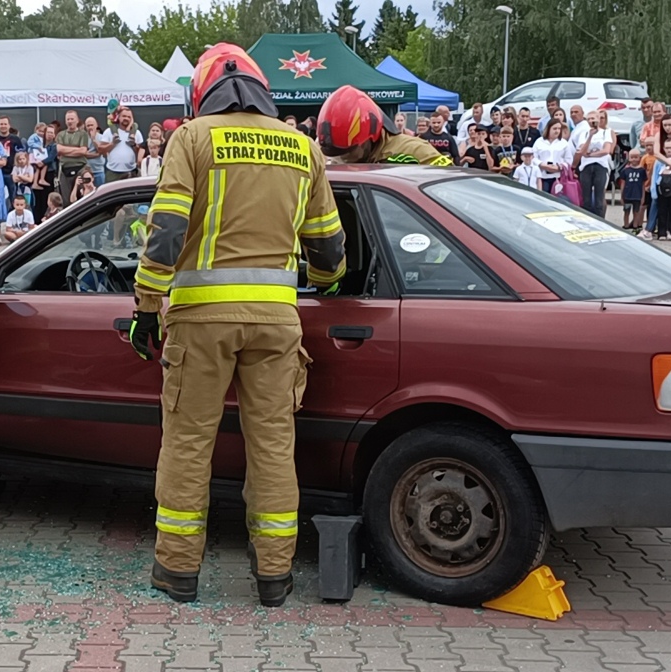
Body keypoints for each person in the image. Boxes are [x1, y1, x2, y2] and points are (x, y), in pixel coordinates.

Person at [131, 43, 342, 609]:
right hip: (277, 322)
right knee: (273, 443)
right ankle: (274, 575)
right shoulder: (303, 148)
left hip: (201, 321)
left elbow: (168, 230)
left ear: (202, 94)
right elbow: (328, 248)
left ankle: (178, 570)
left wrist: (147, 305)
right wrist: (329, 280)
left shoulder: (193, 138)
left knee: (188, 441)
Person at [317, 86, 453, 166]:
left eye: (349, 152)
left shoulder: (413, 151)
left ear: (371, 136)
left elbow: (451, 182)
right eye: (337, 155)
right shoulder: (337, 162)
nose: (343, 159)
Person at [576, 111, 614, 217]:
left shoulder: (605, 132)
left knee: (599, 197)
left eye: (593, 118)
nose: (592, 121)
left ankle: (600, 220)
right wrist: (590, 137)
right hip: (586, 167)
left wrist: (591, 154)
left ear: (598, 119)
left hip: (601, 165)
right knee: (586, 198)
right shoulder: (583, 134)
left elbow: (606, 150)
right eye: (589, 119)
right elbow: (582, 151)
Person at [101, 107, 144, 183]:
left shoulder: (137, 133)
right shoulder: (109, 131)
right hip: (112, 172)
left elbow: (140, 153)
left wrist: (134, 145)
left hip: (131, 172)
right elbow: (101, 150)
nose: (126, 118)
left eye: (129, 117)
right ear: (119, 117)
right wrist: (112, 143)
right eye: (124, 116)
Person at [55, 111, 90, 206]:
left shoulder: (83, 134)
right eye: (68, 119)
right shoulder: (61, 134)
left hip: (80, 168)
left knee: (83, 197)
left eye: (72, 119)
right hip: (65, 169)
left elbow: (83, 151)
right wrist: (76, 150)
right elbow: (59, 149)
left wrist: (66, 150)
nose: (70, 121)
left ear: (77, 120)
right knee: (67, 201)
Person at [533, 120, 570, 194]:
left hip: (558, 177)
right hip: (542, 176)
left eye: (559, 129)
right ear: (548, 129)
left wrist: (559, 167)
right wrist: (542, 165)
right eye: (554, 128)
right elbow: (533, 157)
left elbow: (569, 160)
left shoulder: (564, 143)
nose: (557, 131)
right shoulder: (539, 142)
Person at [0, 115, 24, 211]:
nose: (3, 126)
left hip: (12, 173)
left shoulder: (16, 139)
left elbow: (22, 155)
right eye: (1, 124)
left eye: (5, 124)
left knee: (13, 197)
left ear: (9, 125)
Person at [31, 126, 59, 223]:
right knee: (37, 198)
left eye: (52, 133)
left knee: (46, 197)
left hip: (48, 173)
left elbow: (51, 157)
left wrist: (42, 162)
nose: (50, 134)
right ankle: (36, 220)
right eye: (48, 132)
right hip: (37, 172)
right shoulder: (39, 144)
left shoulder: (54, 146)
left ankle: (45, 219)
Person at [620, 150, 646, 230]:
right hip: (627, 195)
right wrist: (621, 196)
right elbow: (623, 184)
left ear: (639, 158)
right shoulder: (625, 170)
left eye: (636, 157)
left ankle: (635, 226)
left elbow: (643, 185)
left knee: (636, 212)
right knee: (626, 211)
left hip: (637, 195)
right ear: (629, 158)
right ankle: (626, 225)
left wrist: (643, 197)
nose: (634, 159)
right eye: (632, 157)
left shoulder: (642, 171)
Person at [84, 116, 110, 187]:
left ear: (96, 125)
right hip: (86, 172)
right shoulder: (83, 138)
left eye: (91, 125)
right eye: (88, 125)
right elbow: (83, 153)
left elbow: (101, 151)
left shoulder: (102, 137)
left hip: (99, 171)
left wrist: (94, 139)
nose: (90, 127)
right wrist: (96, 154)